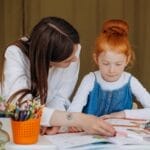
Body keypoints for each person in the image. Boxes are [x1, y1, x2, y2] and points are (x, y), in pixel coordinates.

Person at [0, 16, 115, 136]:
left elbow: (59, 96)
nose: (75, 59)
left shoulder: (72, 50)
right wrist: (79, 119)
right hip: (12, 125)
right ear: (47, 58)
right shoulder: (15, 54)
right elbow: (22, 107)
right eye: (67, 61)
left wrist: (56, 122)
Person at [68, 19, 150, 121]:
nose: (111, 70)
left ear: (127, 60)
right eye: (106, 63)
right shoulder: (90, 79)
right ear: (96, 59)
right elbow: (73, 111)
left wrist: (123, 114)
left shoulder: (130, 81)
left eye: (118, 64)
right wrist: (74, 121)